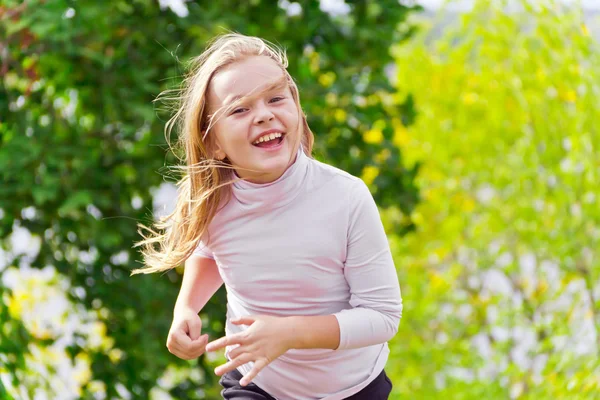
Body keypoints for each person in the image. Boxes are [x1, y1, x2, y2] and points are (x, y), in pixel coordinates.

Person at [132, 33, 402, 400]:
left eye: (276, 98)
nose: (263, 114)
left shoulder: (346, 198)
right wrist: (186, 308)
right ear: (213, 141)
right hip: (258, 385)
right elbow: (212, 250)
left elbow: (382, 316)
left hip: (353, 388)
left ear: (296, 109)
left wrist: (290, 333)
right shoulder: (214, 202)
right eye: (240, 109)